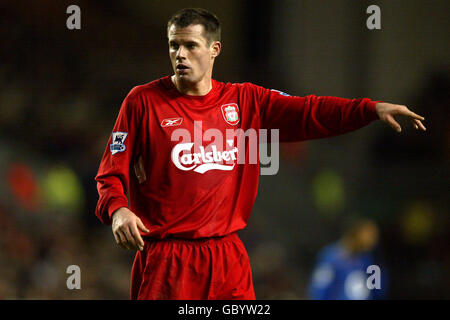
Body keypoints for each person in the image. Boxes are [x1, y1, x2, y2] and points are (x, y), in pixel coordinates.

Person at [94, 8, 426, 300]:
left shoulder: (246, 101)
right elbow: (111, 171)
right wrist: (118, 209)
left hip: (227, 258)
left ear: (214, 50)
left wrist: (369, 109)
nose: (180, 54)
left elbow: (309, 111)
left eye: (190, 45)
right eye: (173, 45)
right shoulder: (141, 102)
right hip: (168, 260)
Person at [308, 219, 388, 300]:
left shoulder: (368, 260)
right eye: (369, 235)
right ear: (356, 233)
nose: (372, 240)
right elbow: (319, 289)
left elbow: (378, 290)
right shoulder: (331, 258)